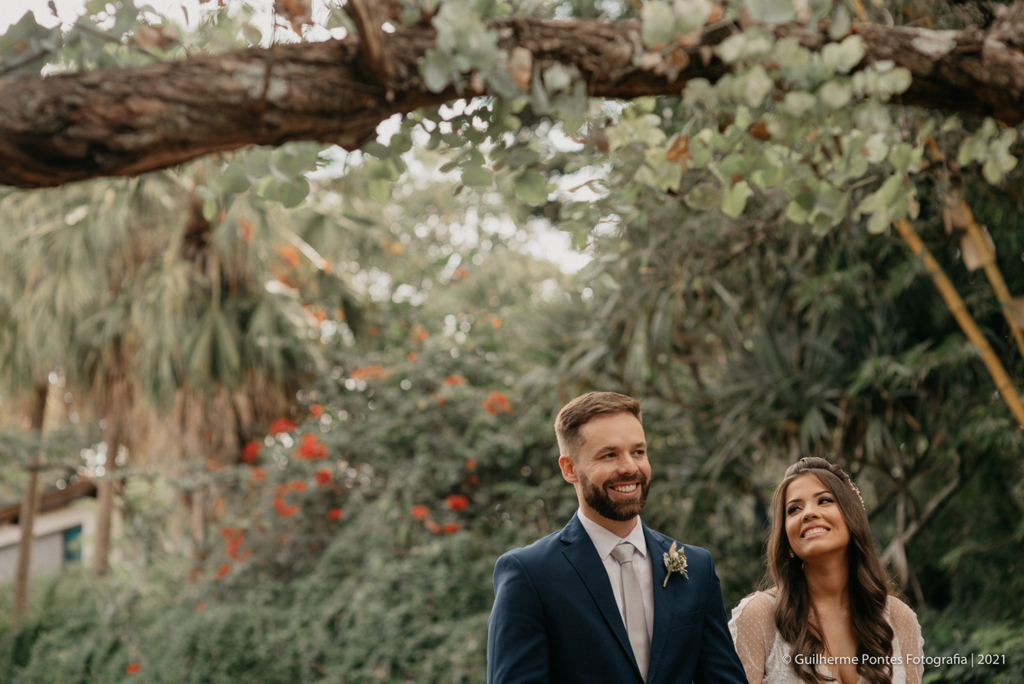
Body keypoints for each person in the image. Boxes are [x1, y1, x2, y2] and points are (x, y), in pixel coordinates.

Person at [487, 391, 747, 684]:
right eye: (609, 455)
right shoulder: (529, 574)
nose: (630, 467)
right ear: (569, 468)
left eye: (638, 452)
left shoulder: (697, 567)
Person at [728, 457, 925, 684]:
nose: (808, 513)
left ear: (853, 517)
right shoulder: (759, 615)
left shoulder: (898, 618)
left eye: (824, 500)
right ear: (785, 533)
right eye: (794, 509)